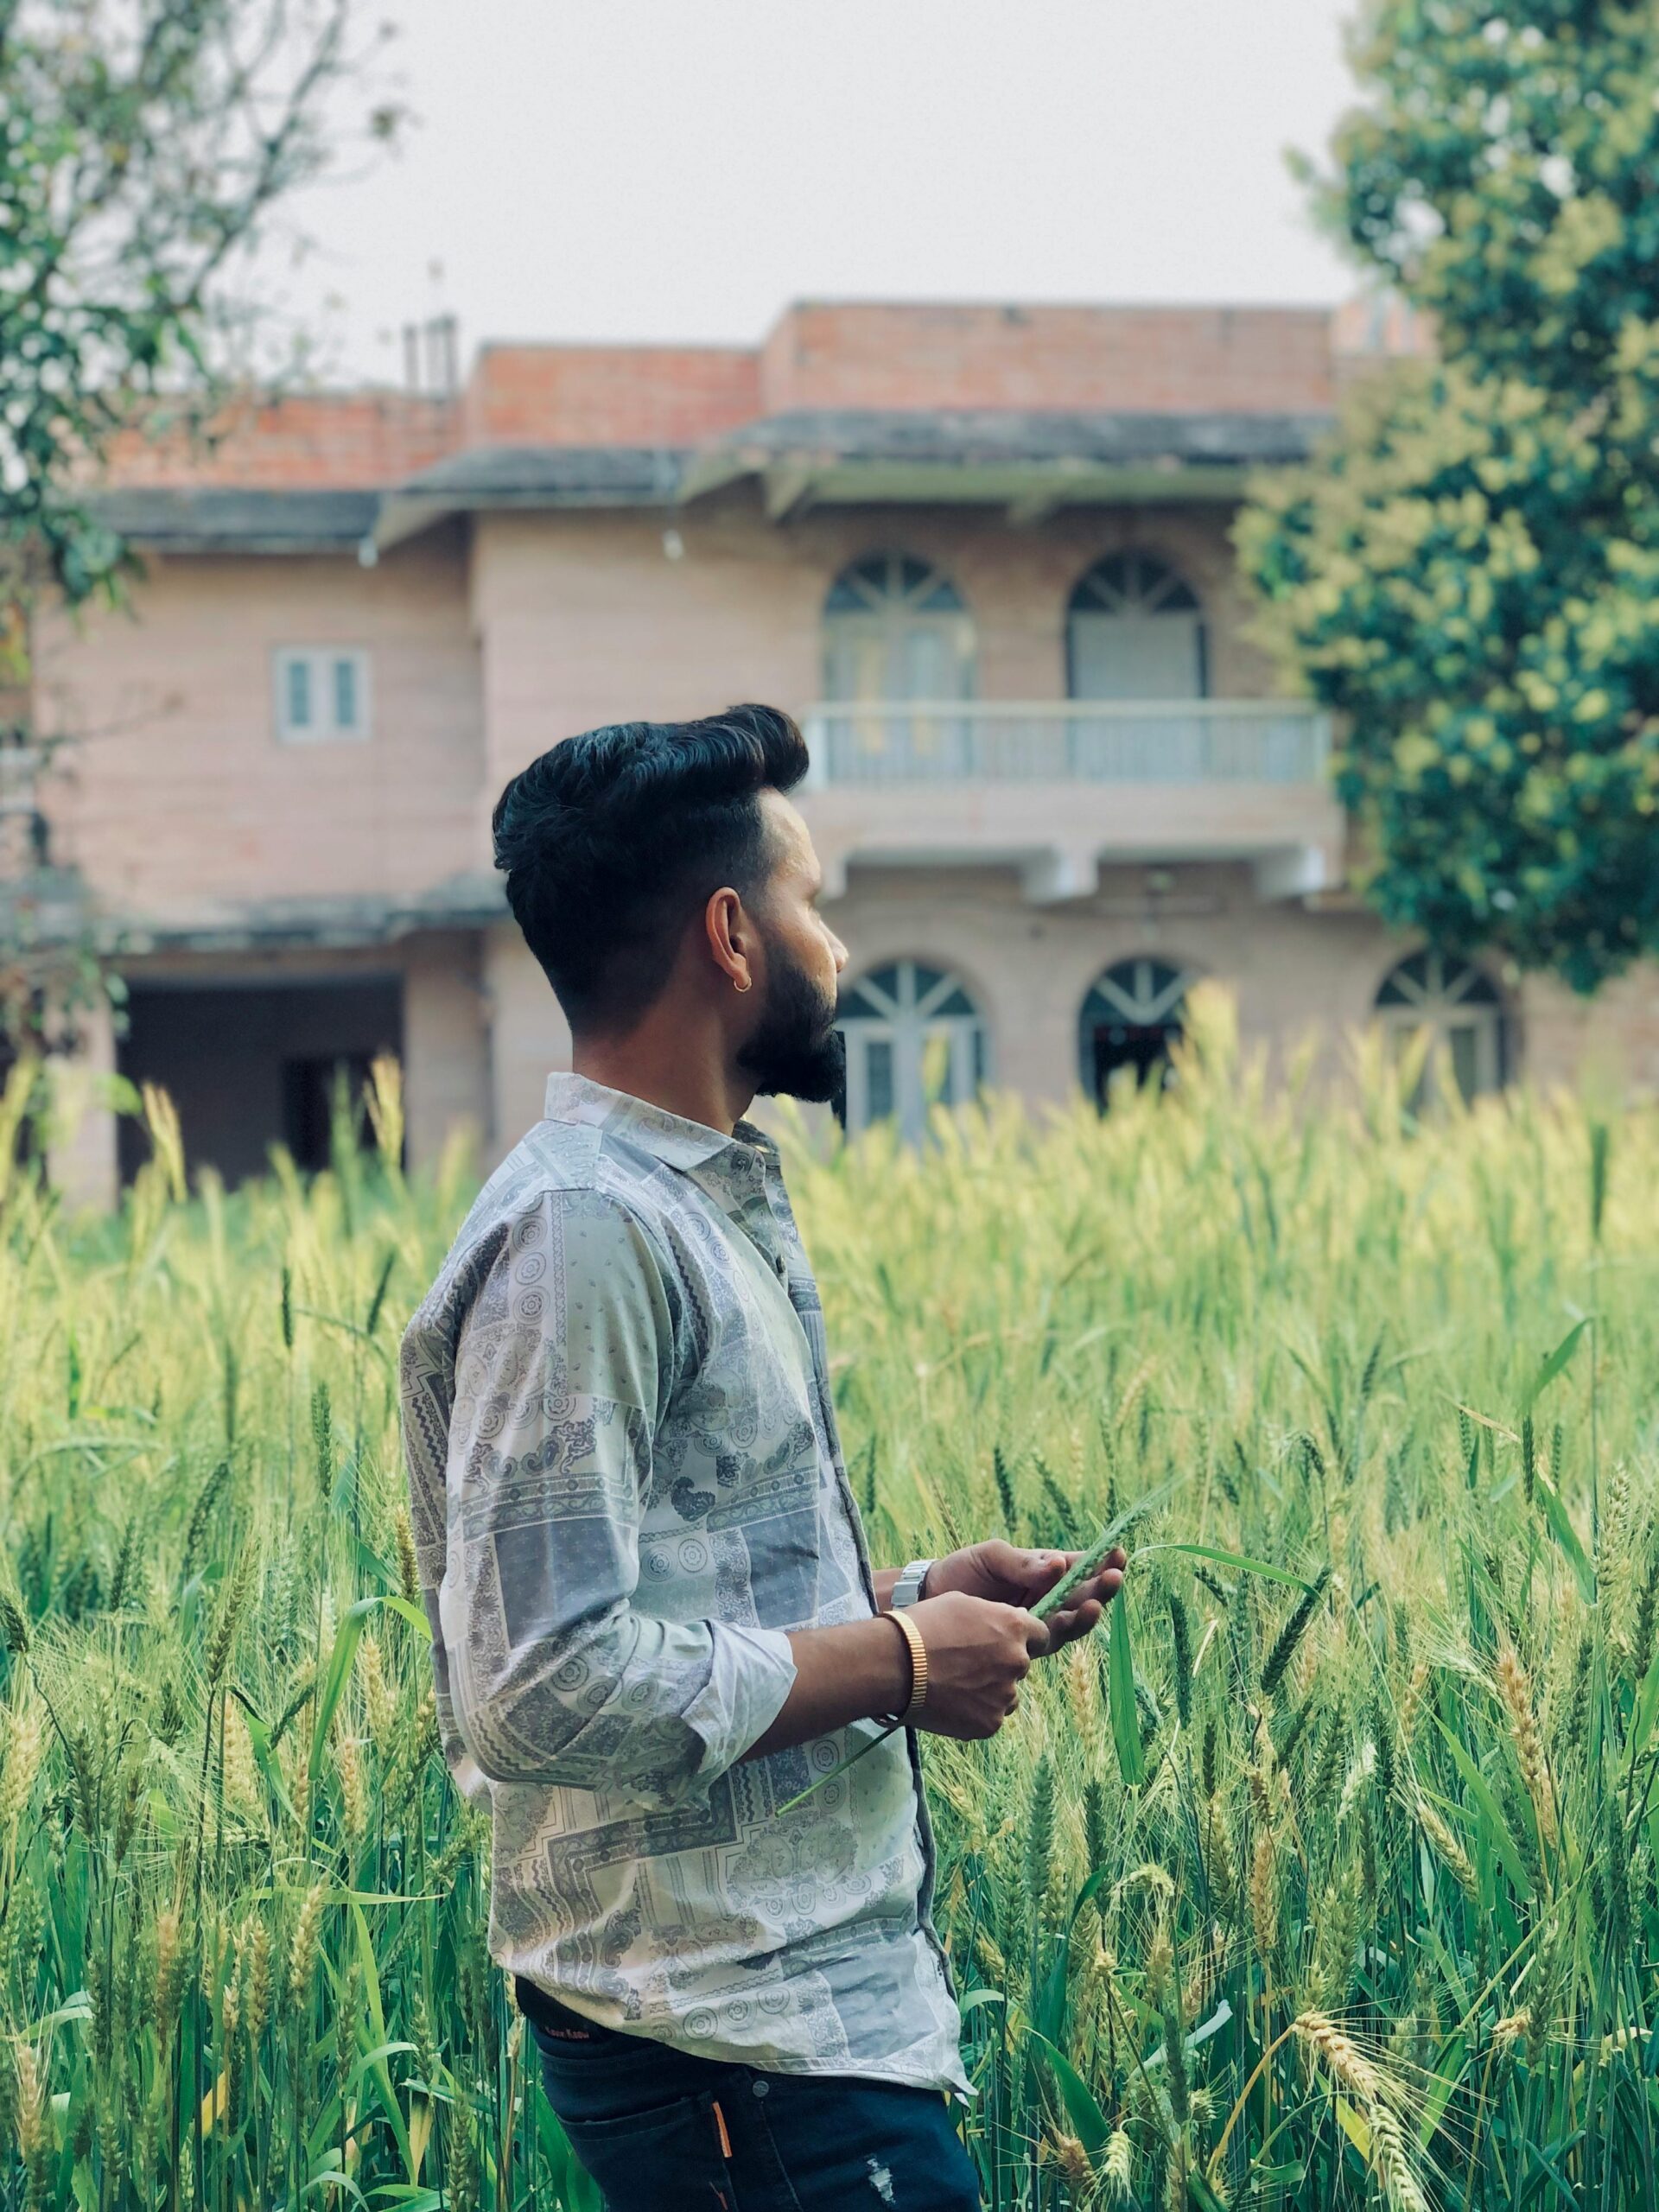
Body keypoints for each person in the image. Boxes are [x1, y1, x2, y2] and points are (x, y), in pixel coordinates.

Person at [398, 704, 1127, 2212]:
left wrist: (920, 1599)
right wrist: (904, 1665)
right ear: (730, 934)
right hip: (730, 2048)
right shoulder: (588, 1234)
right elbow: (537, 1686)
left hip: (792, 2029)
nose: (837, 945)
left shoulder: (675, 1206)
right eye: (812, 899)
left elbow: (668, 1593)